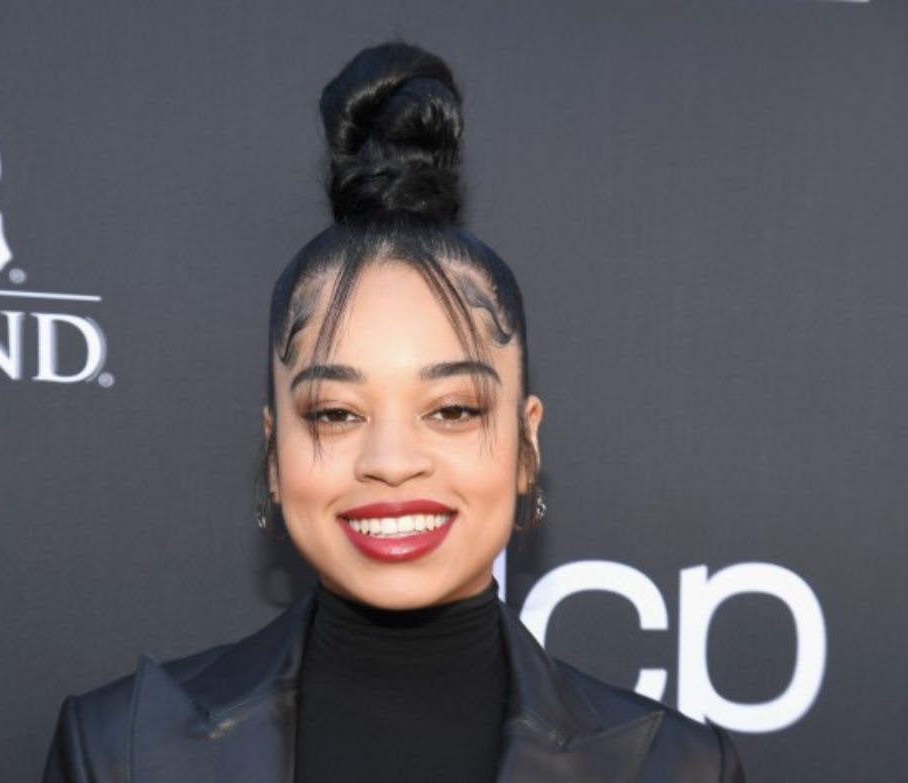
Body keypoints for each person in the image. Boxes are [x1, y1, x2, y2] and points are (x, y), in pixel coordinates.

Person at [42, 41, 745, 782]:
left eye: (453, 409)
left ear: (527, 445)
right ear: (274, 453)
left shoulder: (680, 769)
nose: (391, 460)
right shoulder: (119, 749)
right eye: (336, 413)